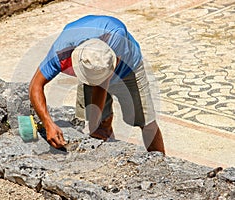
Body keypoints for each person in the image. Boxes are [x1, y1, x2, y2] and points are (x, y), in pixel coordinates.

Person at [29, 15, 165, 154]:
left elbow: (102, 84)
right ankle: (110, 155)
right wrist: (48, 124)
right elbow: (35, 86)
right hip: (93, 69)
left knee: (147, 122)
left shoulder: (117, 35)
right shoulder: (61, 51)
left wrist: (94, 124)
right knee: (100, 126)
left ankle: (161, 166)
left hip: (129, 68)